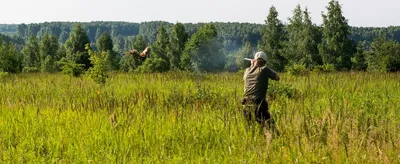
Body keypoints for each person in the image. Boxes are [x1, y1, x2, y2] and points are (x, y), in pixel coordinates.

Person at [242, 51, 280, 131]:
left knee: (250, 132)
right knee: (273, 130)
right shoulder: (264, 69)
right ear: (264, 62)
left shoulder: (247, 71)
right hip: (258, 106)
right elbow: (277, 77)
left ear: (255, 60)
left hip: (246, 105)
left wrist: (252, 65)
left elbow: (251, 73)